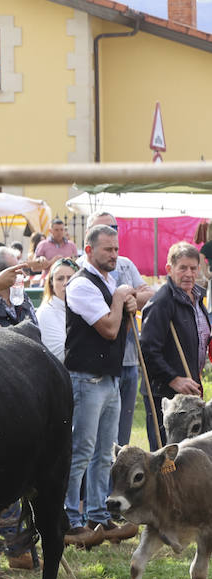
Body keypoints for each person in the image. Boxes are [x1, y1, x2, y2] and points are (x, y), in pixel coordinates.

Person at [62, 223, 140, 548]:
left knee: (106, 455)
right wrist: (123, 297)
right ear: (89, 250)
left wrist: (127, 301)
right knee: (81, 451)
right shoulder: (81, 284)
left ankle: (97, 514)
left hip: (109, 378)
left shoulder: (108, 282)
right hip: (86, 378)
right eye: (108, 249)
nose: (114, 254)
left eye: (116, 249)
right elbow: (109, 328)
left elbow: (128, 308)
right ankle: (69, 518)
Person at [88, 213, 156, 448]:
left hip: (128, 358)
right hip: (100, 362)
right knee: (97, 437)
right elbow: (103, 315)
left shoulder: (125, 263)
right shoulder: (82, 270)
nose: (111, 230)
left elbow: (150, 295)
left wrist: (130, 298)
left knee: (122, 434)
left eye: (114, 227)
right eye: (105, 227)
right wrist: (121, 300)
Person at [139, 242, 209, 444]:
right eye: (183, 268)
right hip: (166, 394)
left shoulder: (196, 298)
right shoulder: (162, 302)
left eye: (193, 268)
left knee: (188, 455)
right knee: (167, 457)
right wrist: (173, 379)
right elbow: (147, 350)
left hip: (189, 389)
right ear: (170, 269)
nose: (189, 273)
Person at [35, 258, 74, 360]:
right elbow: (60, 355)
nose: (66, 283)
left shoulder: (83, 308)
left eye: (70, 278)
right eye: (60, 279)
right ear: (51, 283)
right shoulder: (46, 312)